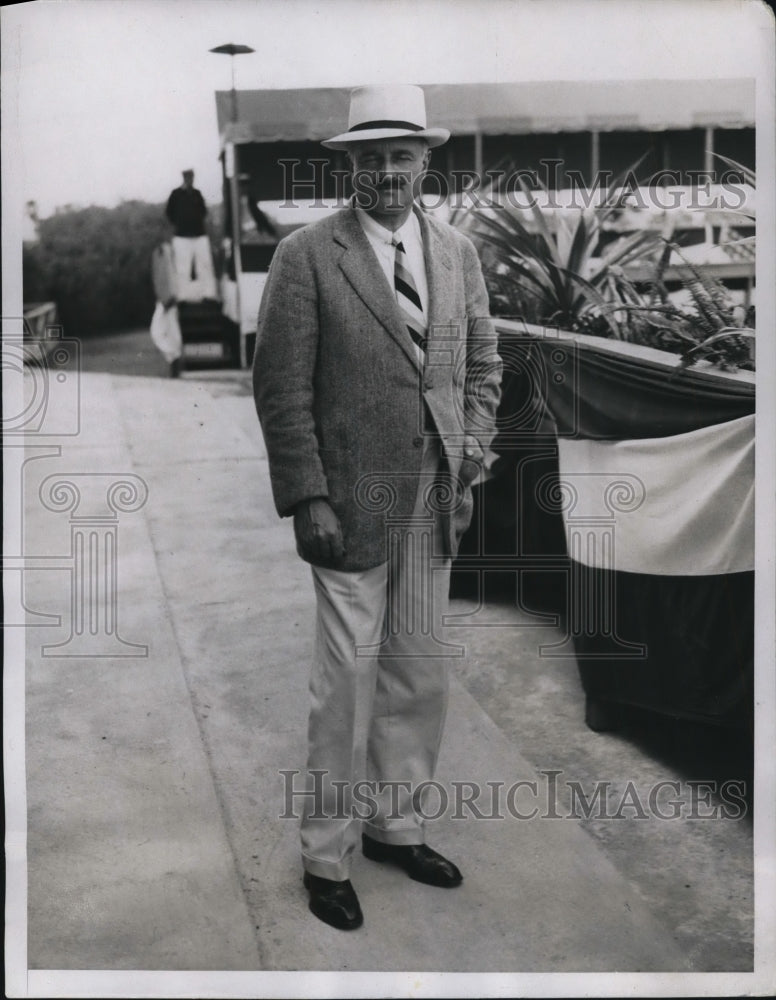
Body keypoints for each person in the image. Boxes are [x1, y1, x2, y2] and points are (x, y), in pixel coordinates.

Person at [252, 84, 502, 931]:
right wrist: (307, 494)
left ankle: (397, 826)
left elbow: (483, 367)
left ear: (426, 162)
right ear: (349, 167)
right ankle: (326, 855)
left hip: (436, 493)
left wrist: (470, 460)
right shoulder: (307, 255)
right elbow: (280, 385)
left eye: (402, 155)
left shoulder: (457, 252)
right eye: (370, 158)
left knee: (418, 671)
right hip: (346, 501)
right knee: (344, 684)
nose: (387, 171)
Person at [165, 169, 217, 301]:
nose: (190, 179)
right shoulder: (176, 194)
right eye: (188, 177)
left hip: (199, 235)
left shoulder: (197, 193)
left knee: (204, 265)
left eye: (192, 177)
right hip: (181, 236)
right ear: (184, 178)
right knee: (182, 267)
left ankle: (208, 293)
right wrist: (180, 223)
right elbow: (169, 213)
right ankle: (182, 295)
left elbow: (203, 211)